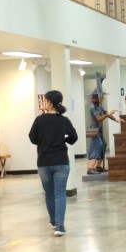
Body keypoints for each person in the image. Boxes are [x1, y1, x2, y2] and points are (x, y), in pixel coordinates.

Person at [28, 90, 79, 237]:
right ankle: (60, 226)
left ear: (50, 102)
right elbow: (74, 137)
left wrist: (43, 141)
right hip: (61, 162)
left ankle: (54, 221)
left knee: (49, 193)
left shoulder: (39, 120)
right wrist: (63, 140)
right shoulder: (64, 120)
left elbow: (32, 138)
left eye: (46, 100)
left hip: (44, 162)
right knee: (60, 193)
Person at [87, 91, 125, 174]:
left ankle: (98, 167)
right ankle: (90, 168)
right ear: (96, 98)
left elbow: (107, 113)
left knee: (103, 145)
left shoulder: (99, 106)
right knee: (97, 146)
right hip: (95, 130)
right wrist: (108, 114)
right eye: (101, 97)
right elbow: (99, 119)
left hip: (99, 130)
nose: (103, 98)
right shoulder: (93, 107)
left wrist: (116, 120)